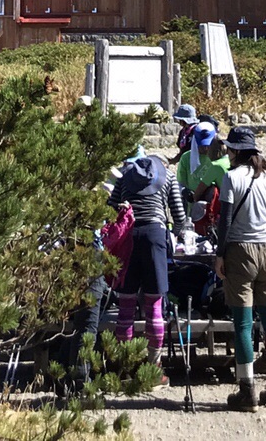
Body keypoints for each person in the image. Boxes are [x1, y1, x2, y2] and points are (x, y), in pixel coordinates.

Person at [214, 126, 266, 409]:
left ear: (235, 151)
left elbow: (225, 220)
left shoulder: (231, 178)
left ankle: (247, 392)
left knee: (243, 323)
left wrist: (219, 255)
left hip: (240, 251)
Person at [108, 153, 187, 377]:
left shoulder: (123, 177)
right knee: (154, 304)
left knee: (126, 303)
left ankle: (124, 367)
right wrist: (178, 235)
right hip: (155, 236)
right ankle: (153, 368)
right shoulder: (169, 178)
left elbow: (111, 207)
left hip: (128, 237)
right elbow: (179, 216)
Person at [177, 117, 229, 221]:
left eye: (208, 145)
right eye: (201, 145)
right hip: (193, 210)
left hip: (215, 209)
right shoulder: (187, 158)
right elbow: (179, 183)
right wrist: (183, 191)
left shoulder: (220, 160)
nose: (205, 149)